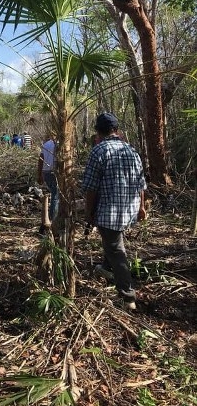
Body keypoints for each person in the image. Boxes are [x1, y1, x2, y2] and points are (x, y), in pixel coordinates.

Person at [82, 112, 147, 311]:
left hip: (110, 211)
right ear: (116, 130)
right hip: (128, 210)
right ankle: (105, 268)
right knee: (112, 242)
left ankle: (128, 297)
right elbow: (141, 184)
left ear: (98, 132)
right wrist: (142, 207)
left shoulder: (98, 151)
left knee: (116, 250)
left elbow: (91, 188)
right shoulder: (131, 150)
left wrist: (88, 212)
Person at [37, 132, 59, 223]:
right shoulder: (58, 144)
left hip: (46, 172)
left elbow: (41, 159)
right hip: (54, 172)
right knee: (56, 195)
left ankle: (52, 217)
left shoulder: (46, 144)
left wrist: (39, 174)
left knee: (54, 194)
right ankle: (53, 218)